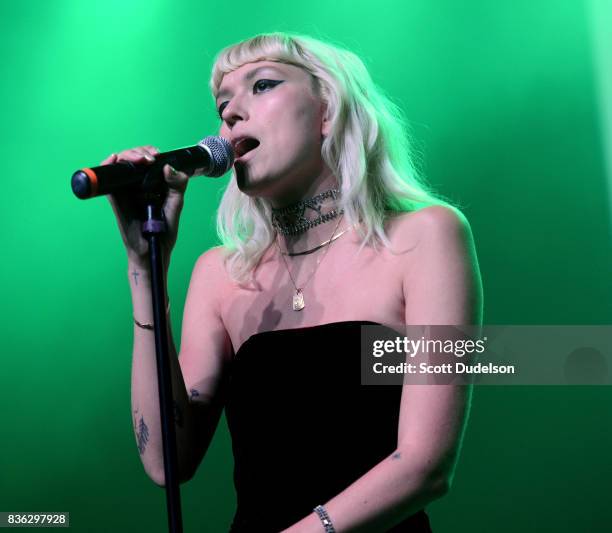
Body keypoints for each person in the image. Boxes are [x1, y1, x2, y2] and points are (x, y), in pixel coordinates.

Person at [103, 33, 483, 533]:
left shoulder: (427, 236)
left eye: (261, 85)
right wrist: (144, 270)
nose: (232, 114)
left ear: (328, 111)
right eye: (223, 105)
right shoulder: (221, 274)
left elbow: (425, 466)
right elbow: (166, 462)